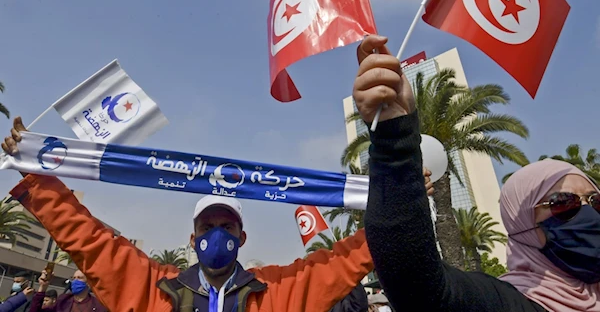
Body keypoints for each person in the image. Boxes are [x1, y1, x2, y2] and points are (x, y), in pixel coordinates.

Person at [2, 119, 375, 312]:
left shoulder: (275, 291)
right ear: (193, 239)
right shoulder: (154, 288)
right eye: (207, 227)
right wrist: (35, 173)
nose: (217, 235)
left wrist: (398, 204)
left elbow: (340, 264)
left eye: (226, 226)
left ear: (241, 238)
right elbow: (89, 240)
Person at [355, 34, 600, 311]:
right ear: (523, 226)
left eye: (596, 202)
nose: (589, 215)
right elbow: (420, 289)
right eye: (563, 203)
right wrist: (394, 137)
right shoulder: (506, 302)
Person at [29, 270, 106, 312]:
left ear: (88, 283)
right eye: (73, 278)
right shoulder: (63, 300)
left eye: (79, 278)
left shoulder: (98, 306)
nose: (75, 281)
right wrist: (43, 287)